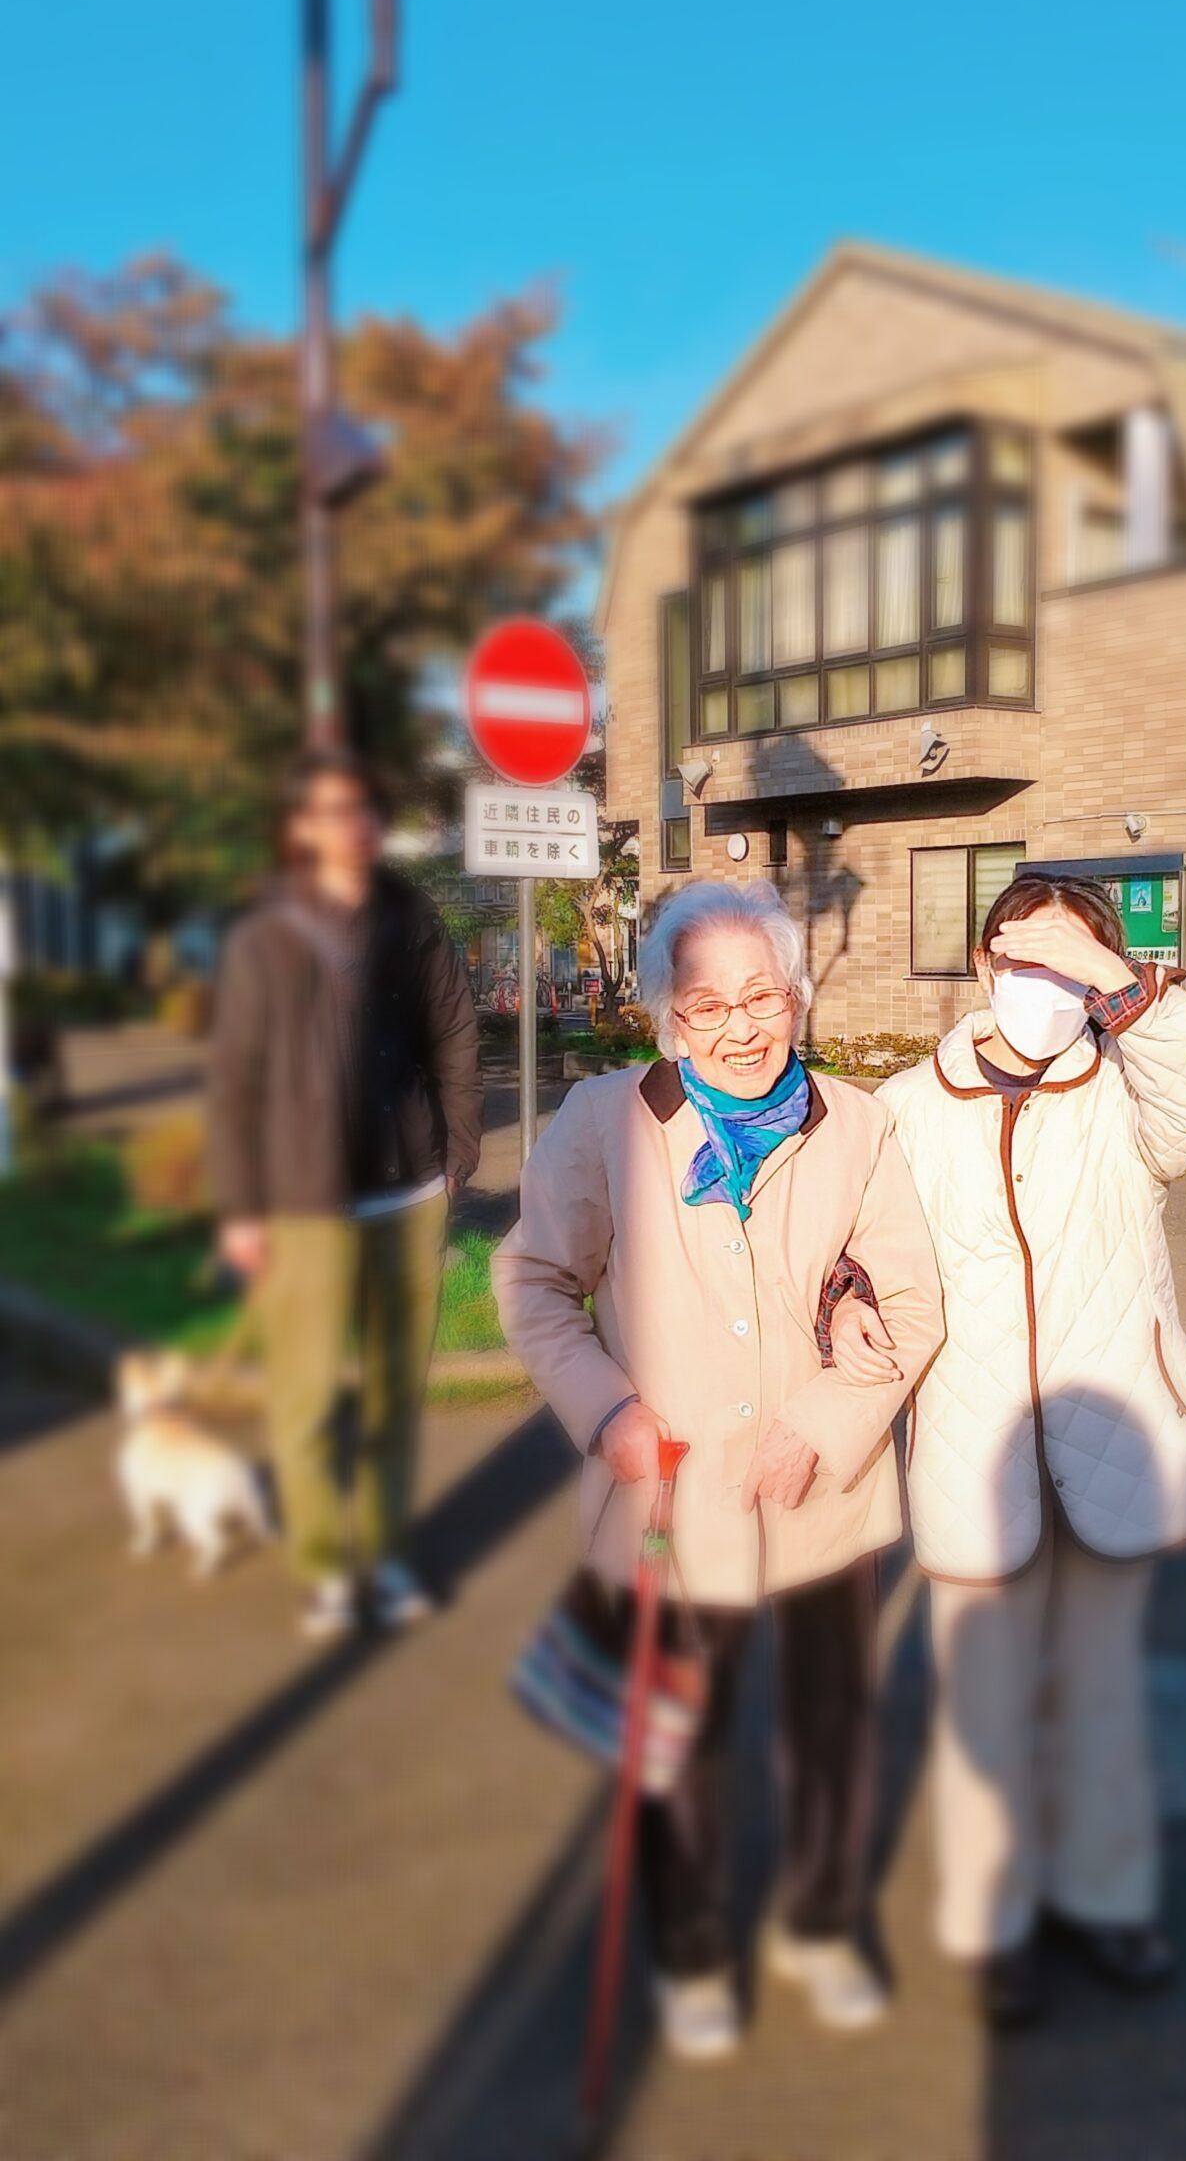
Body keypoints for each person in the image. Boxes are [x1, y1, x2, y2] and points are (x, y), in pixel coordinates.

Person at [495, 879, 944, 2062]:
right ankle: (692, 1949)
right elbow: (534, 1283)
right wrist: (605, 1409)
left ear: (797, 995)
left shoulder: (855, 1124)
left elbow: (911, 1302)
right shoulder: (605, 1120)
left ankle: (823, 1924)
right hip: (676, 1489)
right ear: (666, 1017)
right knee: (679, 1740)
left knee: (833, 1725)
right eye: (707, 1005)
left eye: (762, 997)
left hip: (825, 1493)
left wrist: (830, 1420)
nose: (741, 1027)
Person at [835, 872, 1186, 2027]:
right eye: (1025, 955)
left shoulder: (1126, 1092)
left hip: (1113, 1441)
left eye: (1074, 961)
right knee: (986, 1702)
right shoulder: (907, 1105)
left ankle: (1105, 1899)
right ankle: (997, 1921)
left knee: (1103, 1690)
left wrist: (1121, 984)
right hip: (973, 1445)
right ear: (983, 963)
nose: (1044, 982)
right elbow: (860, 1243)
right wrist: (847, 1294)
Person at [208, 750, 481, 1640]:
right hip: (303, 1204)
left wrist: (458, 1157)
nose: (350, 826)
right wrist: (240, 1207)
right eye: (330, 811)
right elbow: (235, 1078)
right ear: (301, 828)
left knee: (396, 1395)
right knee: (306, 1394)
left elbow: (453, 1032)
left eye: (361, 808)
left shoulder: (413, 919)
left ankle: (388, 1553)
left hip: (408, 1194)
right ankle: (327, 1566)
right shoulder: (265, 936)